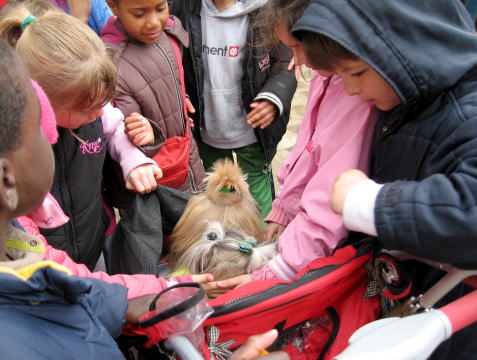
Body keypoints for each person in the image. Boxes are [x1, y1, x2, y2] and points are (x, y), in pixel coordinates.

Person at [292, 0, 477, 358]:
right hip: (407, 313)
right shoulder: (401, 106)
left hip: (455, 333)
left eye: (357, 73)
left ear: (407, 52)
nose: (349, 90)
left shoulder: (469, 114)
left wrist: (366, 201)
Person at [0, 37, 159, 359]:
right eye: (41, 136)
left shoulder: (15, 242)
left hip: (91, 245)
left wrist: (158, 292)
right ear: (6, 177)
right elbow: (64, 281)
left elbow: (77, 287)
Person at [205, 0, 376, 289]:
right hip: (306, 239)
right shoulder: (326, 76)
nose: (296, 60)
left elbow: (328, 201)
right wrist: (284, 208)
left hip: (326, 252)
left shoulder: (353, 90)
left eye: (297, 47)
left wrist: (276, 270)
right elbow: (307, 149)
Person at [0, 7, 163, 270]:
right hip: (47, 263)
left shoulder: (93, 107)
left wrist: (134, 159)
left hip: (95, 242)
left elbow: (115, 127)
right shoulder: (17, 151)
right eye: (87, 108)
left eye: (103, 101)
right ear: (41, 100)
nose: (99, 113)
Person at [169, 0, 297, 222]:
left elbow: (286, 59)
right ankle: (226, 239)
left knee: (258, 192)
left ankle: (263, 246)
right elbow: (174, 61)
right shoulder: (183, 9)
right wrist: (183, 97)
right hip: (206, 127)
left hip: (253, 129)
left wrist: (273, 97)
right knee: (216, 192)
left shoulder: (266, 11)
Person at [102, 0, 205, 209]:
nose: (154, 22)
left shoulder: (170, 34)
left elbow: (168, 80)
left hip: (188, 162)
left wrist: (178, 101)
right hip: (151, 186)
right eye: (139, 14)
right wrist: (144, 133)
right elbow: (116, 131)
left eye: (161, 8)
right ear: (113, 6)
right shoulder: (111, 62)